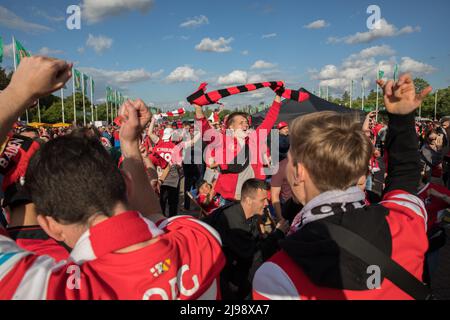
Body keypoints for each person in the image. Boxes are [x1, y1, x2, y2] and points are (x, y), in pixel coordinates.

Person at [0, 57, 226, 300]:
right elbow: (153, 215)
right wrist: (130, 143)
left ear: (50, 226)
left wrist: (17, 91)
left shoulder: (51, 288)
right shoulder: (199, 238)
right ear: (126, 183)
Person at [253, 74, 432, 300]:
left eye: (289, 159)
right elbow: (405, 176)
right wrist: (402, 119)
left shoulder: (277, 275)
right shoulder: (405, 221)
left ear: (299, 173)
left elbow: (404, 175)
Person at [203, 179, 289, 300]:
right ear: (248, 200)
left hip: (227, 268)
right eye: (263, 200)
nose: (266, 204)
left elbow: (255, 243)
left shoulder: (246, 214)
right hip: (213, 277)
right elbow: (255, 255)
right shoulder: (235, 222)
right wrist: (278, 234)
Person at [193, 90, 283, 201]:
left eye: (246, 122)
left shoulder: (254, 138)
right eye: (241, 122)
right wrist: (198, 107)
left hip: (254, 195)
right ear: (231, 126)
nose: (245, 125)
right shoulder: (223, 140)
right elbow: (204, 128)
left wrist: (278, 96)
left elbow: (269, 120)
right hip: (232, 197)